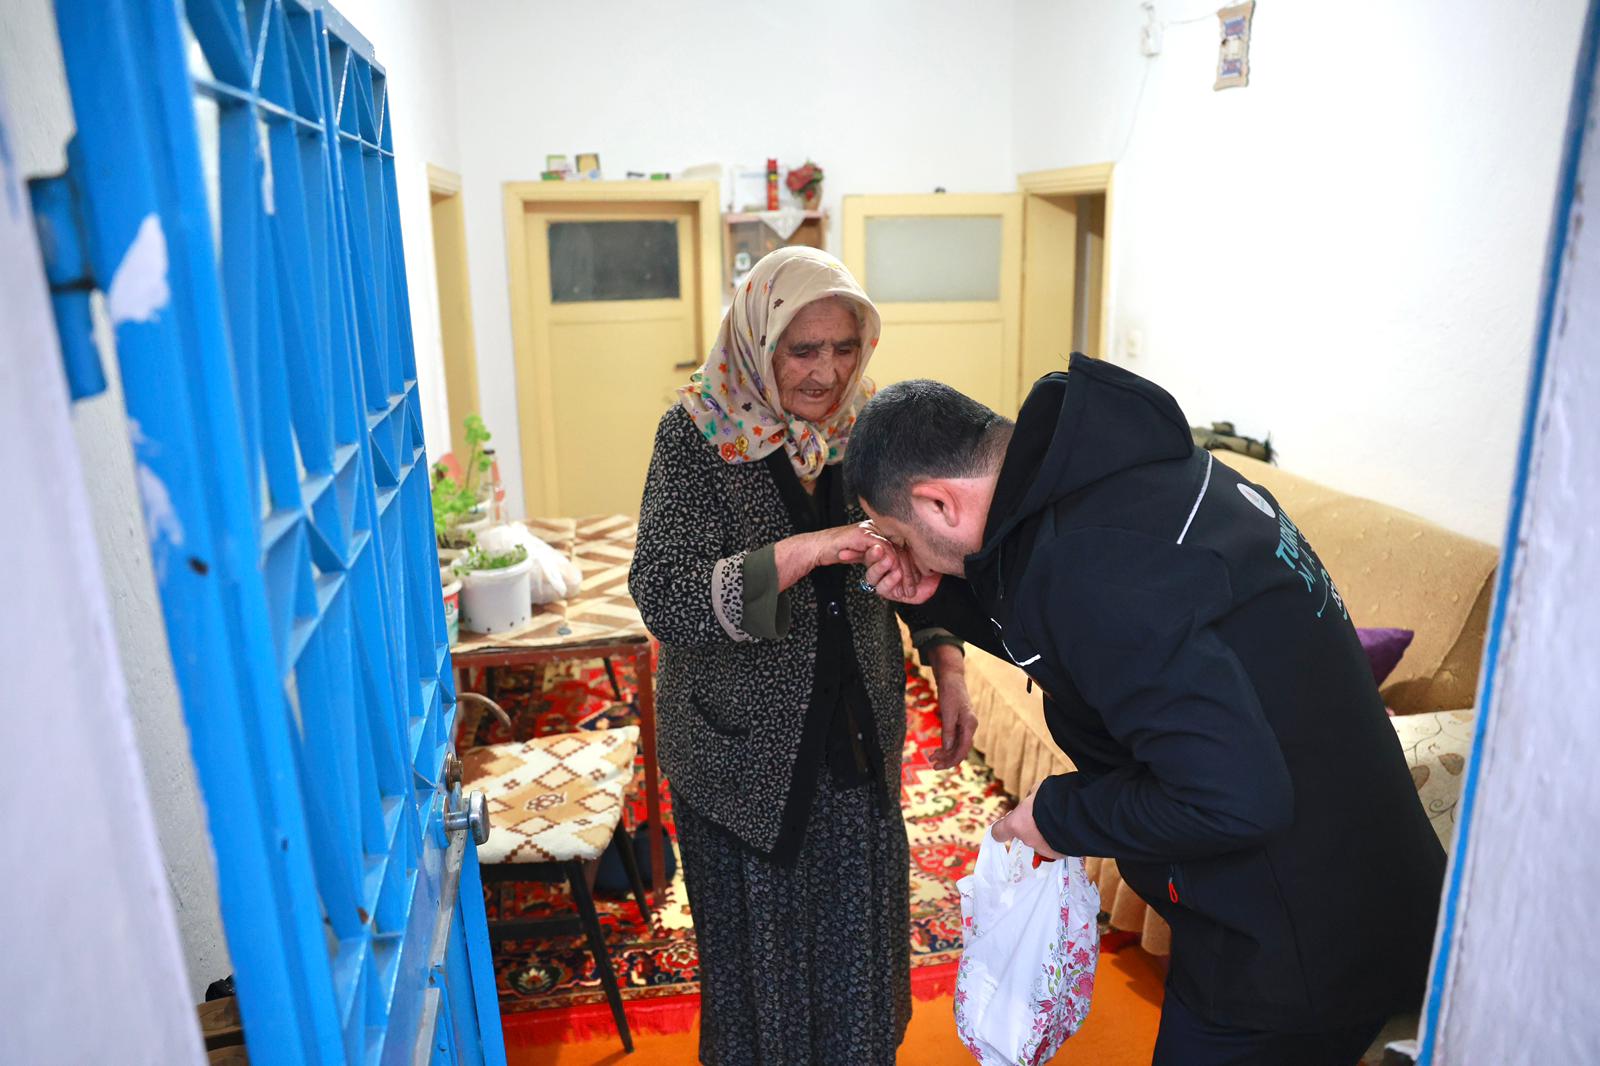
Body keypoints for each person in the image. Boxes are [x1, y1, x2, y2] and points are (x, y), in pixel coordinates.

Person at [843, 355, 1447, 1065]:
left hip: (1295, 940)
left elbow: (1234, 798)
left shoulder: (1089, 564)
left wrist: (1055, 816)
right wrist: (940, 592)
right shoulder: (1110, 474)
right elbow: (1081, 635)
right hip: (1360, 880)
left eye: (902, 535)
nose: (907, 553)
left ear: (940, 502)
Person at [628, 246, 976, 1066]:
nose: (827, 373)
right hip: (743, 760)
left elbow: (924, 555)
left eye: (846, 347)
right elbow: (666, 596)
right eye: (803, 349)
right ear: (758, 339)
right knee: (764, 997)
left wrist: (947, 661)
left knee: (858, 975)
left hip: (855, 741)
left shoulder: (872, 429)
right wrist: (811, 549)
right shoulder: (696, 437)